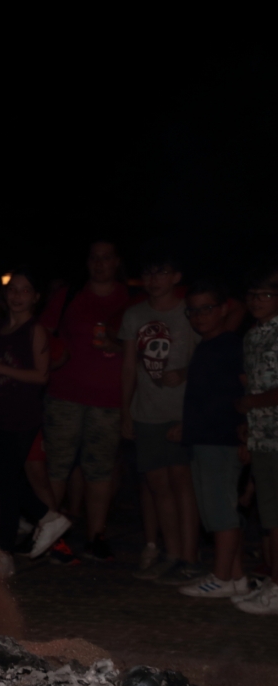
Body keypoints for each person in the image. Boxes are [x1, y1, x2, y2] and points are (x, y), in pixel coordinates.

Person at [40, 240, 130, 562]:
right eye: (94, 258)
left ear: (116, 262)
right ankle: (50, 537)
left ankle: (96, 535)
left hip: (108, 398)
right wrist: (52, 357)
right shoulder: (69, 295)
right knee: (58, 466)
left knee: (100, 470)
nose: (100, 264)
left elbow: (140, 345)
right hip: (64, 394)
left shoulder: (130, 299)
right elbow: (43, 331)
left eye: (106, 258)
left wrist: (118, 346)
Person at [0, 268, 70, 575]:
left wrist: (0, 368)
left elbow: (41, 376)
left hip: (24, 412)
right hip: (1, 408)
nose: (17, 295)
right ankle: (16, 542)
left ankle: (40, 522)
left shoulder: (35, 330)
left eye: (25, 290)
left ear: (36, 297)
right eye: (13, 289)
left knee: (6, 479)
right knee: (0, 479)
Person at [121, 251, 201, 585]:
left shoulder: (189, 313)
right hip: (147, 412)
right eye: (149, 273)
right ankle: (171, 553)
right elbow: (128, 366)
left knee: (183, 483)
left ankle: (190, 557)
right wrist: (126, 412)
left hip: (182, 411)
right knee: (157, 485)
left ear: (176, 276)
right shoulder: (135, 314)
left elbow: (204, 361)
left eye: (162, 272)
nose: (155, 280)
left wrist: (182, 373)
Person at [176, 280, 250, 598]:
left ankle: (221, 576)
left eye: (207, 308)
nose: (199, 316)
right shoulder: (205, 346)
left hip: (223, 439)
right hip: (203, 437)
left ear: (223, 310)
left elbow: (247, 390)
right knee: (214, 509)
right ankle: (236, 577)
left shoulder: (232, 345)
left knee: (221, 510)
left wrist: (247, 435)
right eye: (193, 310)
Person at [234, 267, 278, 615]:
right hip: (262, 435)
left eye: (265, 295)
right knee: (269, 514)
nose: (257, 302)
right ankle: (272, 580)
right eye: (252, 295)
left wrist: (253, 402)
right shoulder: (253, 335)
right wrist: (247, 421)